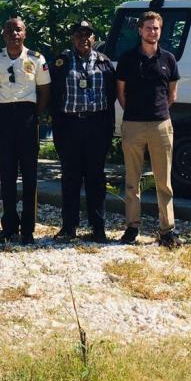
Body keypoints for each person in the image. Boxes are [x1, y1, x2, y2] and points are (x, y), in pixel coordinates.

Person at [116, 10, 181, 248]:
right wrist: (134, 113)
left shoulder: (169, 59)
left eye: (156, 28)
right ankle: (132, 227)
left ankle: (167, 230)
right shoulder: (127, 59)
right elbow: (120, 93)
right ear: (140, 30)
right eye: (148, 27)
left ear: (160, 31)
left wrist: (159, 113)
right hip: (133, 124)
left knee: (163, 181)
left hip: (161, 125)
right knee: (132, 180)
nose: (152, 32)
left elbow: (172, 94)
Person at [48, 19, 117, 243]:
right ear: (72, 38)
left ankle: (98, 228)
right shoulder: (61, 62)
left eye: (87, 35)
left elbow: (112, 94)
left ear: (94, 38)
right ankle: (69, 227)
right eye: (79, 35)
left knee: (96, 178)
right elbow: (52, 94)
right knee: (70, 177)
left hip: (97, 125)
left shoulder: (104, 62)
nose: (83, 39)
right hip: (70, 126)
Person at [0, 17, 51, 244]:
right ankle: (9, 225)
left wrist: (33, 114)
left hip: (27, 117)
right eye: (10, 29)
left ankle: (28, 228)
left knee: (30, 174)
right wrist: (6, 106)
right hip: (4, 117)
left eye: (18, 29)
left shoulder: (36, 58)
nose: (14, 33)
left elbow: (44, 90)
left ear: (25, 33)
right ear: (4, 34)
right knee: (7, 172)